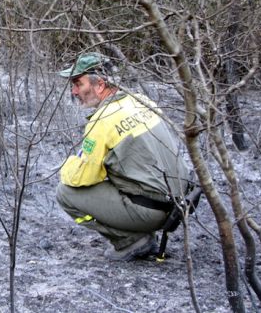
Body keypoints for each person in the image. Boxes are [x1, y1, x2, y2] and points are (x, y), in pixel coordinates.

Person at [55, 52, 191, 261]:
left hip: (152, 212)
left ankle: (129, 241)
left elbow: (83, 177)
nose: (74, 91)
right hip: (181, 202)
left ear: (99, 85)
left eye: (78, 84)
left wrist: (67, 165)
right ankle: (139, 230)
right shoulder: (140, 100)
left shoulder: (103, 120)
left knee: (66, 193)